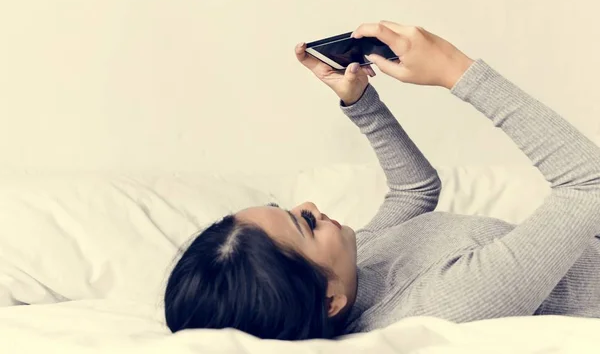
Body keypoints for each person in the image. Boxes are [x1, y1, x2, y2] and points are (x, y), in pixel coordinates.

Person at [163, 21, 600, 340]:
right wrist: (457, 71)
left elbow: (416, 190)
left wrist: (360, 102)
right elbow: (588, 184)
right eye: (306, 225)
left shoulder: (356, 266)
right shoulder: (443, 307)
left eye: (288, 210)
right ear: (329, 301)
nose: (311, 205)